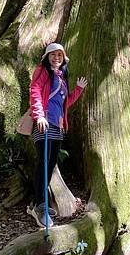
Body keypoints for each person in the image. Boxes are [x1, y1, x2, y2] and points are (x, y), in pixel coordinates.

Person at [27, 42, 88, 228]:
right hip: (43, 124)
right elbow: (35, 91)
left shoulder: (61, 78)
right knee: (43, 164)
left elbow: (64, 103)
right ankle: (40, 206)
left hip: (57, 127)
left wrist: (77, 90)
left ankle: (37, 203)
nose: (56, 58)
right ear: (47, 57)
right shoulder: (43, 71)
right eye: (53, 55)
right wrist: (39, 115)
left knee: (51, 164)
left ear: (63, 59)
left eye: (59, 55)